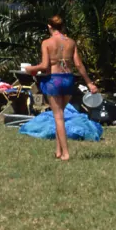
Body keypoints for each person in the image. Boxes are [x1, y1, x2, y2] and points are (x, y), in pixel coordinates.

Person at [26, 15, 98, 161]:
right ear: (63, 27)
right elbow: (78, 64)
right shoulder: (71, 42)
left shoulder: (47, 43)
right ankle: (58, 151)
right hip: (68, 80)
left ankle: (65, 153)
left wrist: (30, 68)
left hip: (54, 80)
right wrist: (89, 82)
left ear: (49, 27)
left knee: (58, 117)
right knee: (61, 114)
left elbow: (45, 66)